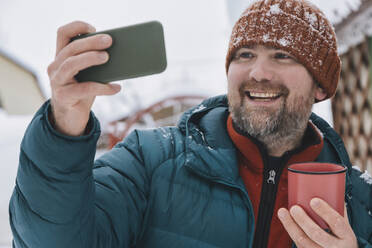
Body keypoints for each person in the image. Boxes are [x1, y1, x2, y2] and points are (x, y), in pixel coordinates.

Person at [9, 0, 372, 247]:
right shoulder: (149, 162)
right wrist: (63, 126)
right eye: (245, 55)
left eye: (282, 56)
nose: (259, 73)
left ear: (321, 85)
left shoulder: (361, 201)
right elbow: (54, 239)